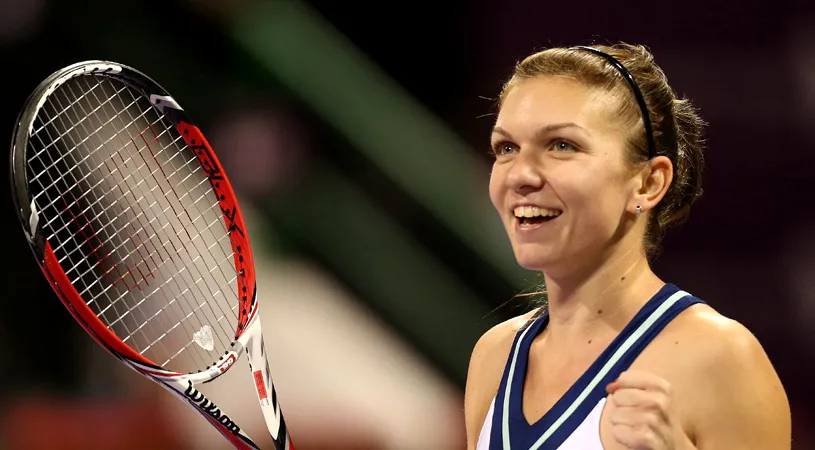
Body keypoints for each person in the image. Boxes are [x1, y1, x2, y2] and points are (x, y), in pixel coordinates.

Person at [464, 43, 791, 450]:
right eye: (506, 148)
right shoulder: (496, 356)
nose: (520, 175)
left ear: (649, 182)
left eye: (562, 145)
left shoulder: (721, 359)